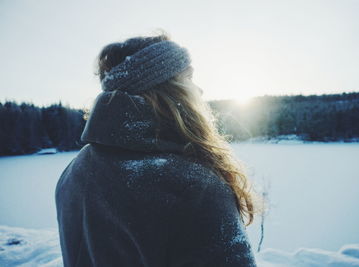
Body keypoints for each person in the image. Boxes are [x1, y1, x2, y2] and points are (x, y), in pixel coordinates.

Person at [55, 33, 259, 267]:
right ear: (168, 90)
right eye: (189, 77)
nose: (199, 90)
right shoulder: (194, 186)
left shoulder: (75, 171)